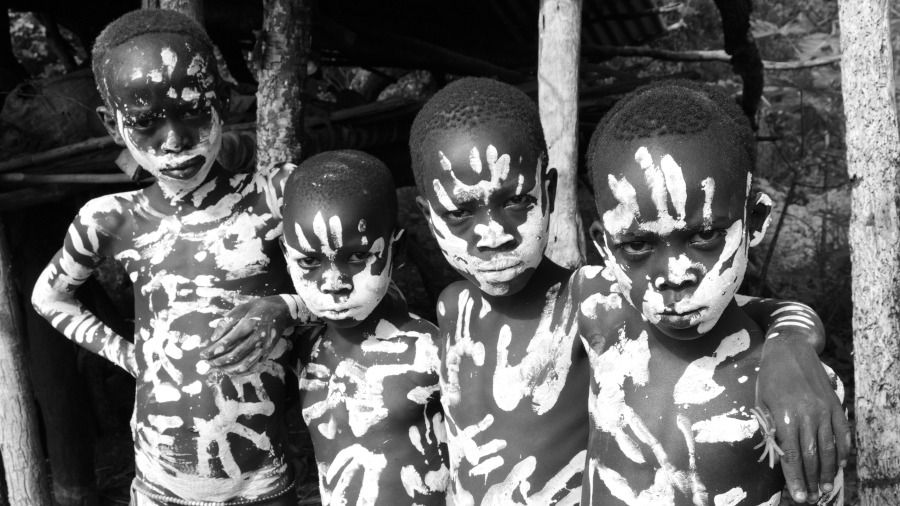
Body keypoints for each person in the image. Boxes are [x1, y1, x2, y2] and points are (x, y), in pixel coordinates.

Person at [406, 77, 848, 504]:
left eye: (516, 202)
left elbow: (749, 310)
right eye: (460, 212)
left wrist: (791, 344)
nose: (493, 234)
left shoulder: (591, 300)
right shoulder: (457, 307)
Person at [30, 9, 306, 504]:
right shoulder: (111, 218)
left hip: (263, 481)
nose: (174, 139)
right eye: (144, 122)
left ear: (222, 101)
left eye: (193, 110)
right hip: (159, 487)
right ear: (113, 125)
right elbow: (48, 297)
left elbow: (360, 289)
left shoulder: (276, 195)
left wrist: (286, 308)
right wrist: (128, 356)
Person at [576, 80, 843, 505]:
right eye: (638, 245)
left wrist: (790, 342)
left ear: (755, 222)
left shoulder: (792, 392)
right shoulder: (597, 312)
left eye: (703, 236)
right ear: (604, 246)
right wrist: (794, 333)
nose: (673, 276)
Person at [280, 150, 449, 504]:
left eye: (357, 257)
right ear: (286, 254)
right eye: (309, 261)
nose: (333, 283)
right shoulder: (305, 351)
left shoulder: (432, 350)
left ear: (395, 251)